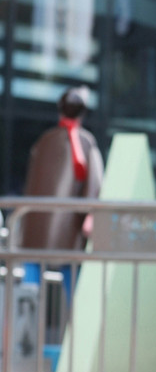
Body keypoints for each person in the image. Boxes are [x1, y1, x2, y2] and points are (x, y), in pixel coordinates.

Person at [18, 86, 104, 281]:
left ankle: (30, 300)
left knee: (33, 277)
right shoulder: (86, 141)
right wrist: (90, 213)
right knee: (69, 276)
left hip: (36, 224)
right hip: (69, 227)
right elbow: (95, 184)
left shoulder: (44, 140)